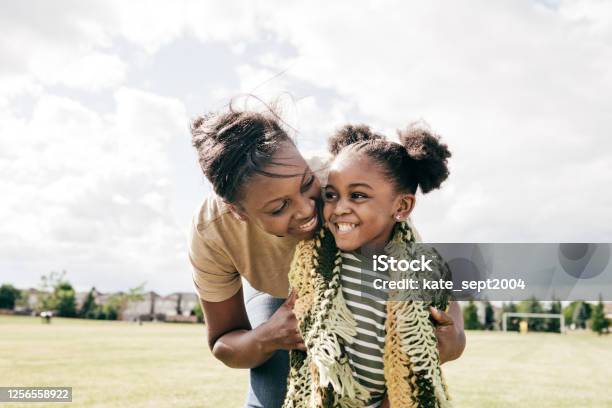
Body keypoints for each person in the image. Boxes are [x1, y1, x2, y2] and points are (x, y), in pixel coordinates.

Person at [188, 107, 465, 407]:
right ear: (238, 212)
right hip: (278, 294)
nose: (308, 210)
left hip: (354, 293)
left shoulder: (346, 184)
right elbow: (223, 342)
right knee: (272, 396)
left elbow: (429, 286)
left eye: (308, 185)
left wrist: (453, 340)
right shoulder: (213, 230)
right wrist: (268, 336)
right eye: (279, 207)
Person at [284, 124, 457, 407]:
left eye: (358, 196)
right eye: (331, 195)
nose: (339, 208)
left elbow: (452, 330)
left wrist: (454, 340)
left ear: (401, 207)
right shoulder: (315, 261)